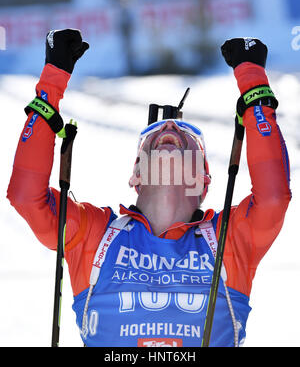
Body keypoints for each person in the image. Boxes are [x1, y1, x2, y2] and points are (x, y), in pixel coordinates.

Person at [7, 29, 291, 347]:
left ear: (203, 180)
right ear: (136, 176)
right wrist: (50, 85)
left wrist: (253, 84)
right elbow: (26, 198)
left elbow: (273, 196)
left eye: (186, 137)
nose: (169, 126)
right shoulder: (95, 233)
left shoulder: (228, 238)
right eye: (154, 136)